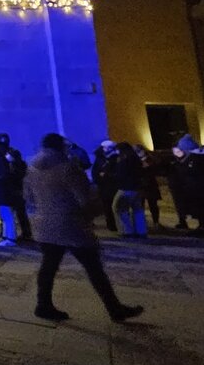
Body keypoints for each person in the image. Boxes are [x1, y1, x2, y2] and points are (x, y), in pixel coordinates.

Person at [26, 133, 144, 323]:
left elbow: (29, 198)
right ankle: (115, 309)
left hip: (45, 225)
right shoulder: (67, 167)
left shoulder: (32, 168)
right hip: (70, 223)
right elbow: (85, 197)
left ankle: (43, 304)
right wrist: (91, 214)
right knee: (94, 268)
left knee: (48, 267)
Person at [0, 134, 28, 247]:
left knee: (7, 216)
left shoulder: (1, 159)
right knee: (5, 216)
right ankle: (6, 236)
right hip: (3, 191)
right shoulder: (3, 157)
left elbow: (4, 175)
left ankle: (10, 238)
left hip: (3, 191)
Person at [111, 143, 148, 238]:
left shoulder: (123, 159)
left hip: (125, 188)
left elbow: (121, 174)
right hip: (137, 188)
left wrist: (113, 177)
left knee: (119, 208)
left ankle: (126, 231)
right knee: (138, 210)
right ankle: (141, 230)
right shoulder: (135, 158)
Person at [168, 136, 204, 232]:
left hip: (197, 187)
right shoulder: (187, 159)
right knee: (197, 207)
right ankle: (201, 224)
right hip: (191, 187)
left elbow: (192, 172)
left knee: (200, 206)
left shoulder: (195, 159)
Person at [91, 141, 121, 232]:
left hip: (113, 186)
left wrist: (106, 175)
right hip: (104, 187)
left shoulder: (115, 158)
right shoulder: (101, 158)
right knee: (108, 206)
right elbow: (95, 172)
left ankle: (118, 225)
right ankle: (111, 225)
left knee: (115, 206)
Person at [133, 145, 163, 230]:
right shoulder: (135, 160)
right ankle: (141, 223)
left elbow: (156, 168)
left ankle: (156, 222)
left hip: (150, 185)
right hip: (141, 185)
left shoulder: (150, 158)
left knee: (153, 205)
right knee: (140, 205)